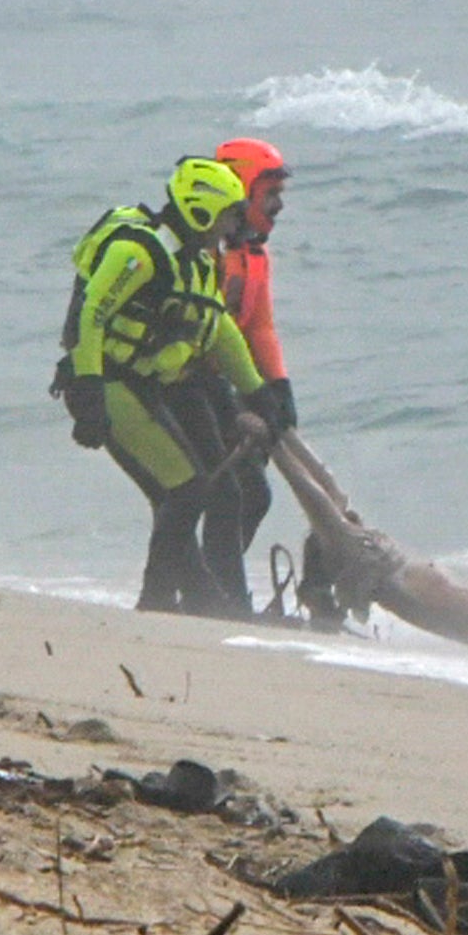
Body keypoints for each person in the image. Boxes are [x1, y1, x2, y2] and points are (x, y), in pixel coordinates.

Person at [57, 156, 286, 616]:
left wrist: (262, 393)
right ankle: (159, 601)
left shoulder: (197, 262)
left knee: (188, 489)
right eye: (227, 216)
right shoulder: (139, 253)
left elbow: (218, 329)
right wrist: (88, 392)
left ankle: (188, 599)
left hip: (143, 387)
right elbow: (92, 315)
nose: (231, 227)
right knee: (184, 490)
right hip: (108, 383)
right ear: (202, 211)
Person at [211, 136, 294, 590]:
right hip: (197, 385)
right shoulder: (211, 255)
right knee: (239, 494)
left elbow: (260, 327)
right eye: (271, 194)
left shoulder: (254, 257)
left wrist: (279, 388)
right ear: (242, 189)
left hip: (235, 386)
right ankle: (215, 595)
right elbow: (210, 333)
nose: (278, 206)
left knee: (250, 495)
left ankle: (211, 589)